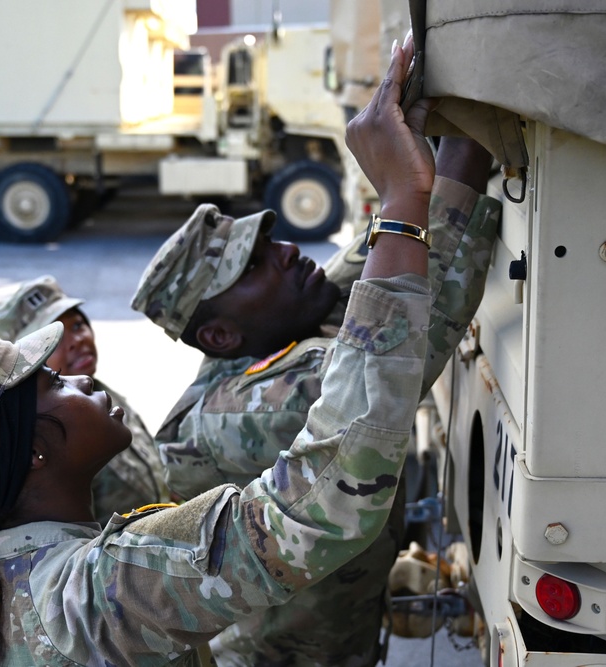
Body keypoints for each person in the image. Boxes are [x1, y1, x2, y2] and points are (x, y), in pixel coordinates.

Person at [0, 34, 448, 666]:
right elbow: (321, 503)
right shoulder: (102, 591)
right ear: (31, 452)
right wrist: (400, 206)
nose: (83, 380)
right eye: (52, 386)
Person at [130, 57, 500, 667]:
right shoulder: (243, 413)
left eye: (268, 240)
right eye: (253, 266)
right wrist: (475, 107)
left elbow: (382, 249)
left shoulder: (278, 326)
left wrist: (418, 112)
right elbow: (401, 336)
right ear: (222, 336)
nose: (287, 253)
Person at [0, 275, 169, 523]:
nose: (77, 341)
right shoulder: (48, 436)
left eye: (77, 325)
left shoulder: (103, 392)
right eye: (55, 340)